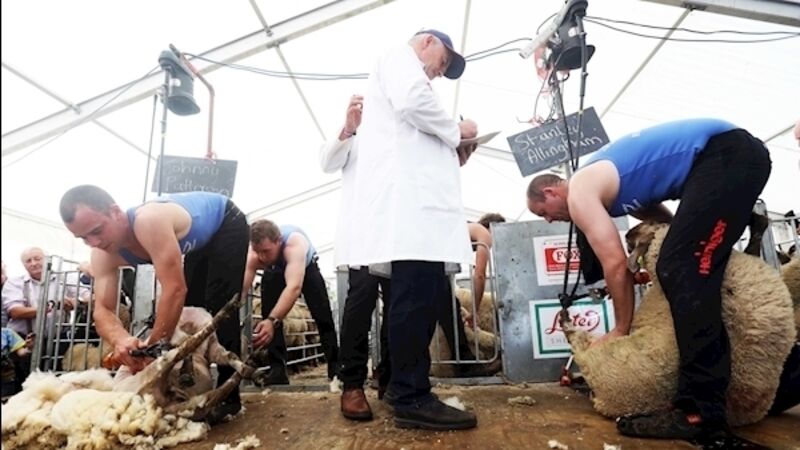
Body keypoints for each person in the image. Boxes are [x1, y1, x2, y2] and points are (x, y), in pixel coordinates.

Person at [526, 119, 771, 439]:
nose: (548, 220)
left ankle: (700, 411)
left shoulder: (579, 192)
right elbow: (665, 223)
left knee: (681, 267)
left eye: (543, 212)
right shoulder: (615, 183)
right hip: (732, 158)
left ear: (550, 191)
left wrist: (620, 329)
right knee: (681, 266)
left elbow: (614, 264)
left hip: (724, 156)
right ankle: (740, 388)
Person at [348, 29, 479, 430]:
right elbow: (411, 100)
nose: (439, 72)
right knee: (413, 300)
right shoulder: (399, 59)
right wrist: (459, 130)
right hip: (412, 213)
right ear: (427, 43)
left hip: (420, 212)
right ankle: (410, 395)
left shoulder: (409, 76)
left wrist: (451, 148)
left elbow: (414, 128)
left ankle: (406, 388)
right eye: (442, 62)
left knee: (418, 298)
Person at [59, 185, 248, 422]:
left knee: (221, 305)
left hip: (225, 221)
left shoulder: (149, 221)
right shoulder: (101, 253)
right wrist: (120, 340)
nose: (94, 242)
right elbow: (103, 309)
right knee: (190, 313)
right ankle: (185, 387)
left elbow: (174, 289)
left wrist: (154, 350)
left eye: (97, 230)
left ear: (115, 212)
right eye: (83, 238)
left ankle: (230, 397)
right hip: (198, 243)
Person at [319, 95, 392, 421]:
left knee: (398, 307)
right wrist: (348, 129)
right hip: (364, 237)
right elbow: (327, 162)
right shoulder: (357, 135)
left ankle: (390, 377)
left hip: (399, 235)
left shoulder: (404, 134)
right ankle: (352, 384)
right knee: (359, 305)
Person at [244, 219, 339, 385]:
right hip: (275, 269)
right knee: (268, 312)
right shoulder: (256, 255)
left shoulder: (293, 245)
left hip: (306, 268)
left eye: (266, 251)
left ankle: (336, 367)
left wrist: (272, 320)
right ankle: (278, 370)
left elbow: (294, 287)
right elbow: (242, 290)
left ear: (278, 241)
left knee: (322, 316)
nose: (262, 257)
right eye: (258, 251)